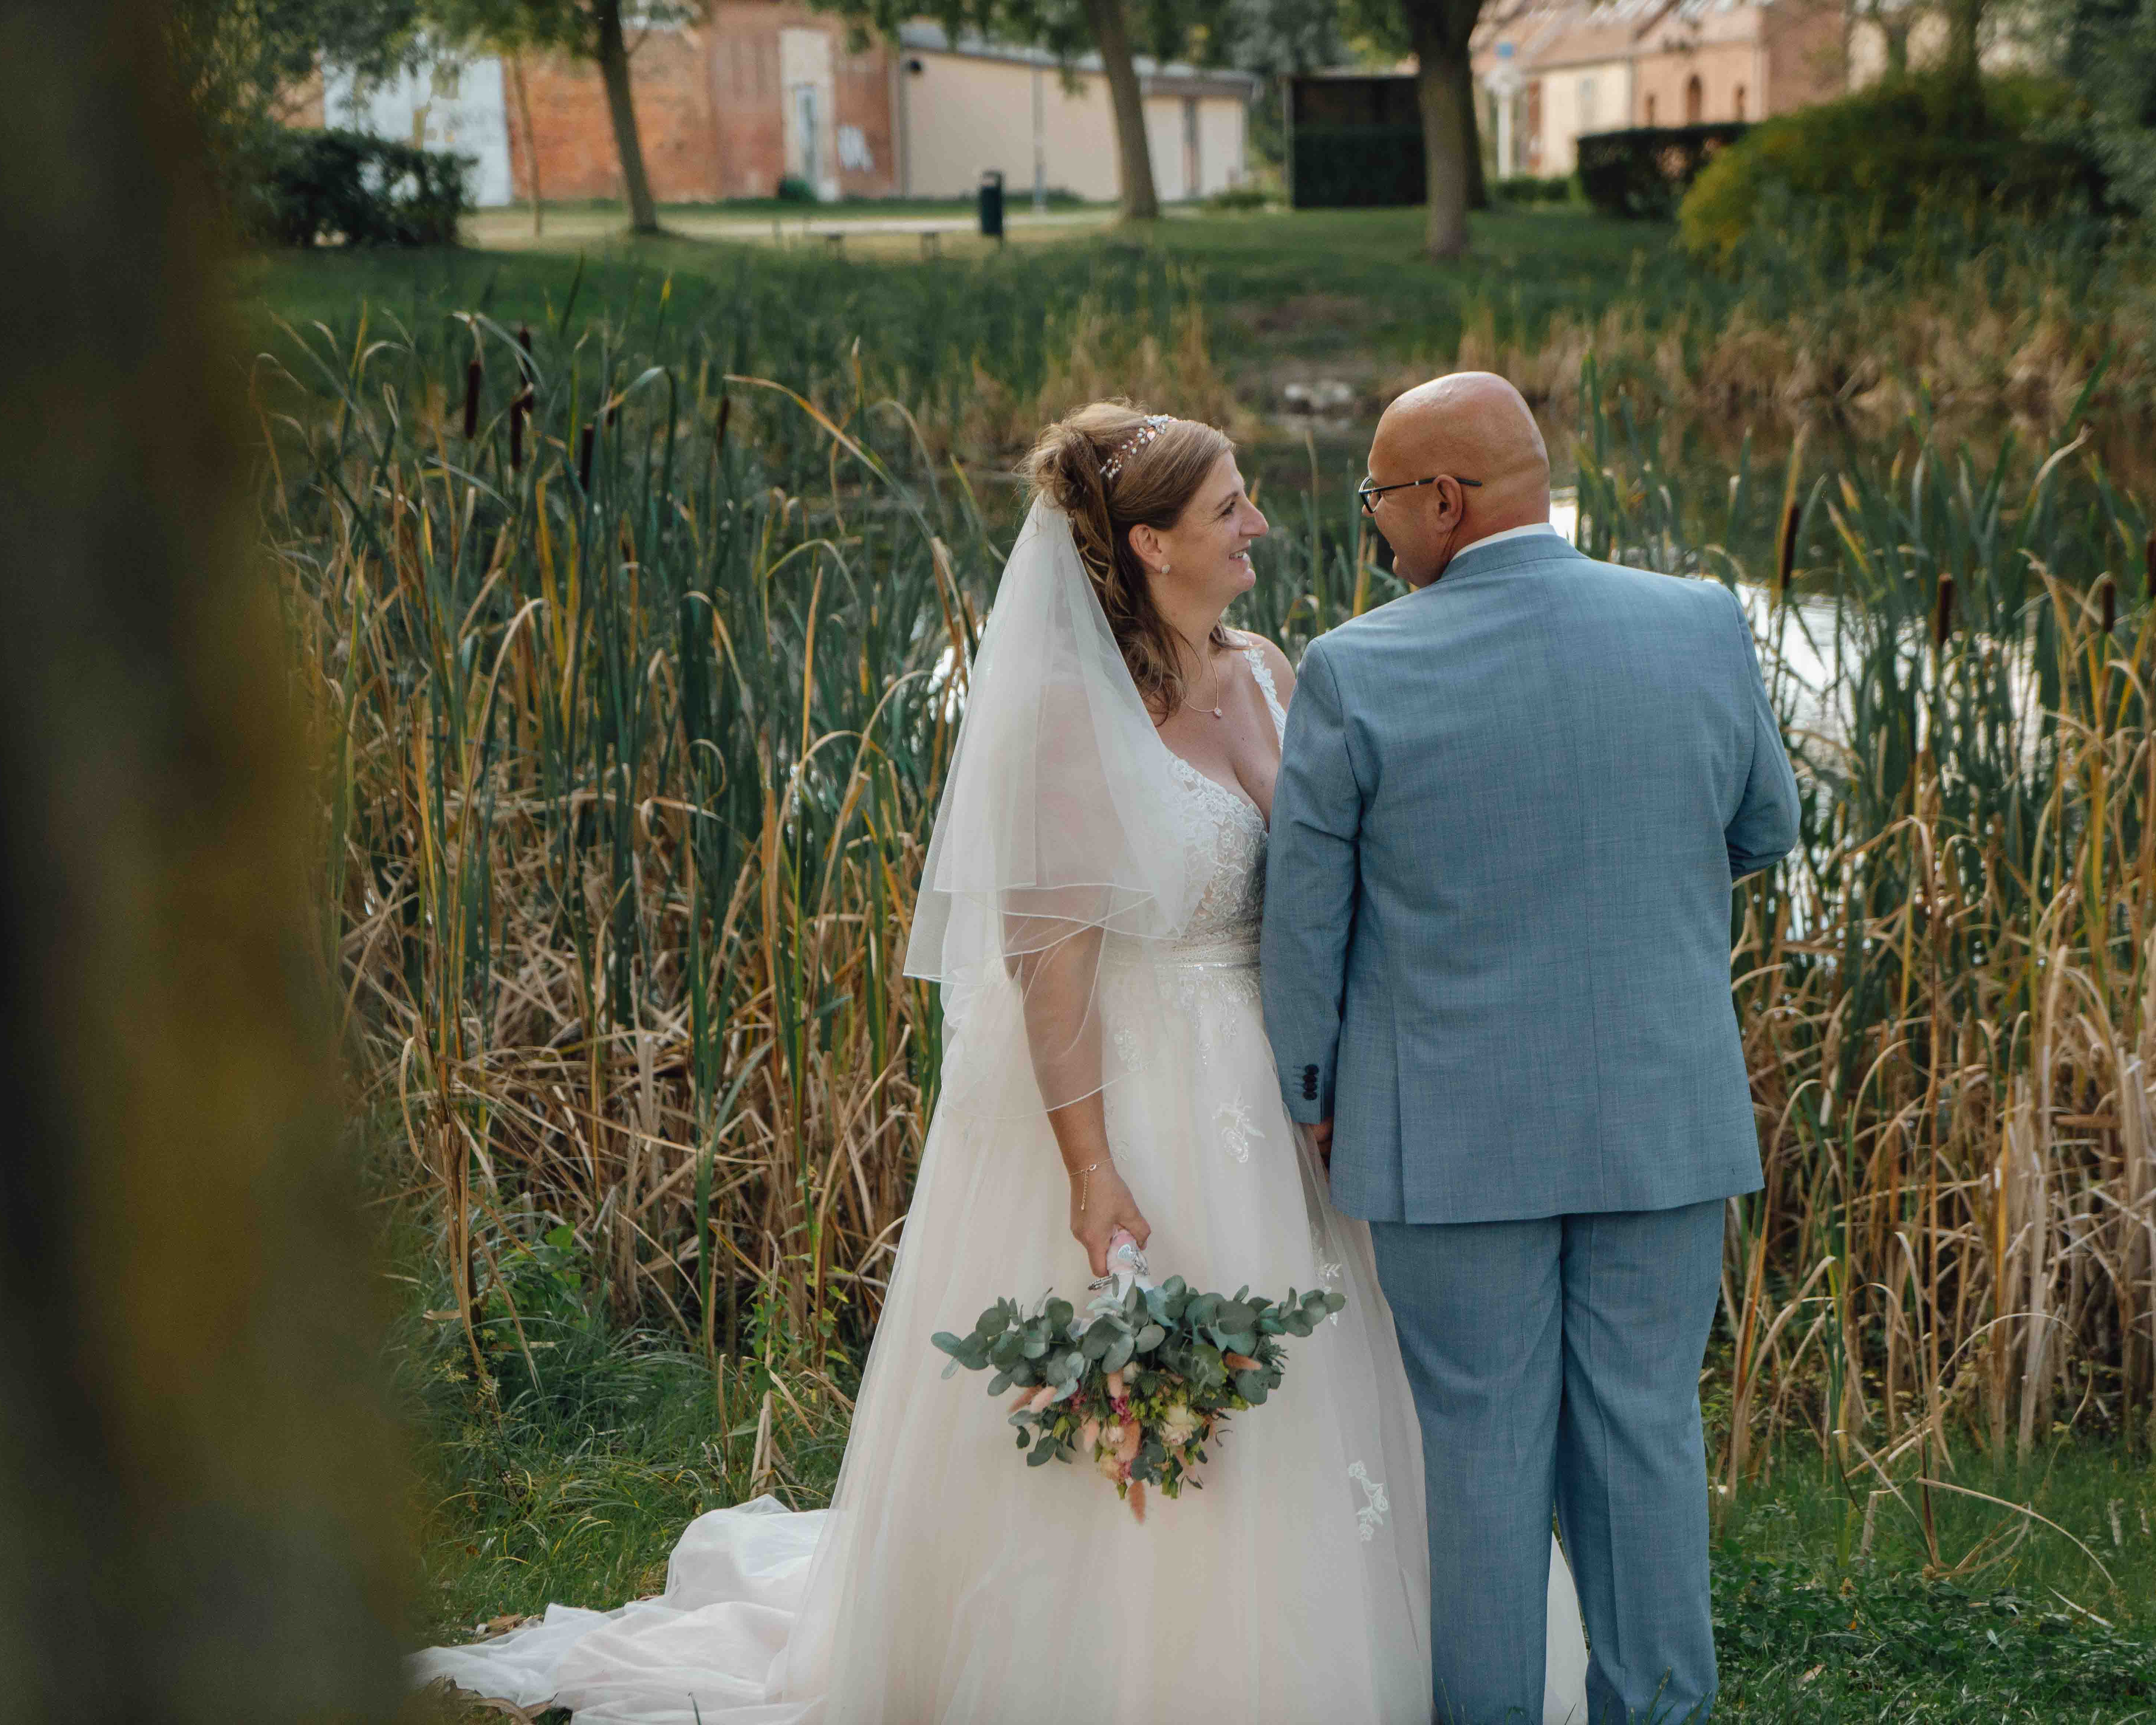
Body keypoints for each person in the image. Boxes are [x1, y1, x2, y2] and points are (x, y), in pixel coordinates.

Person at [409, 401, 1590, 1724]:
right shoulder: (1065, 721)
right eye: (1228, 510)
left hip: (1281, 1089)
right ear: (1147, 543)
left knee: (1331, 1394)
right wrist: (1091, 1172)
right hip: (1141, 1098)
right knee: (1153, 1400)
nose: (1261, 524)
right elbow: (1053, 972)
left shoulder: (1268, 669)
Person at [1262, 373, 1802, 1725]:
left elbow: (1305, 926)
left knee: (1482, 1460)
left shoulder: (1356, 667)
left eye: (1381, 497)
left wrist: (1313, 1098)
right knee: (1644, 1437)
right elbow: (1764, 831)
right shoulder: (1700, 623)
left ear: (1444, 500)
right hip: (1659, 1115)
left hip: (1450, 1136)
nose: (1377, 529)